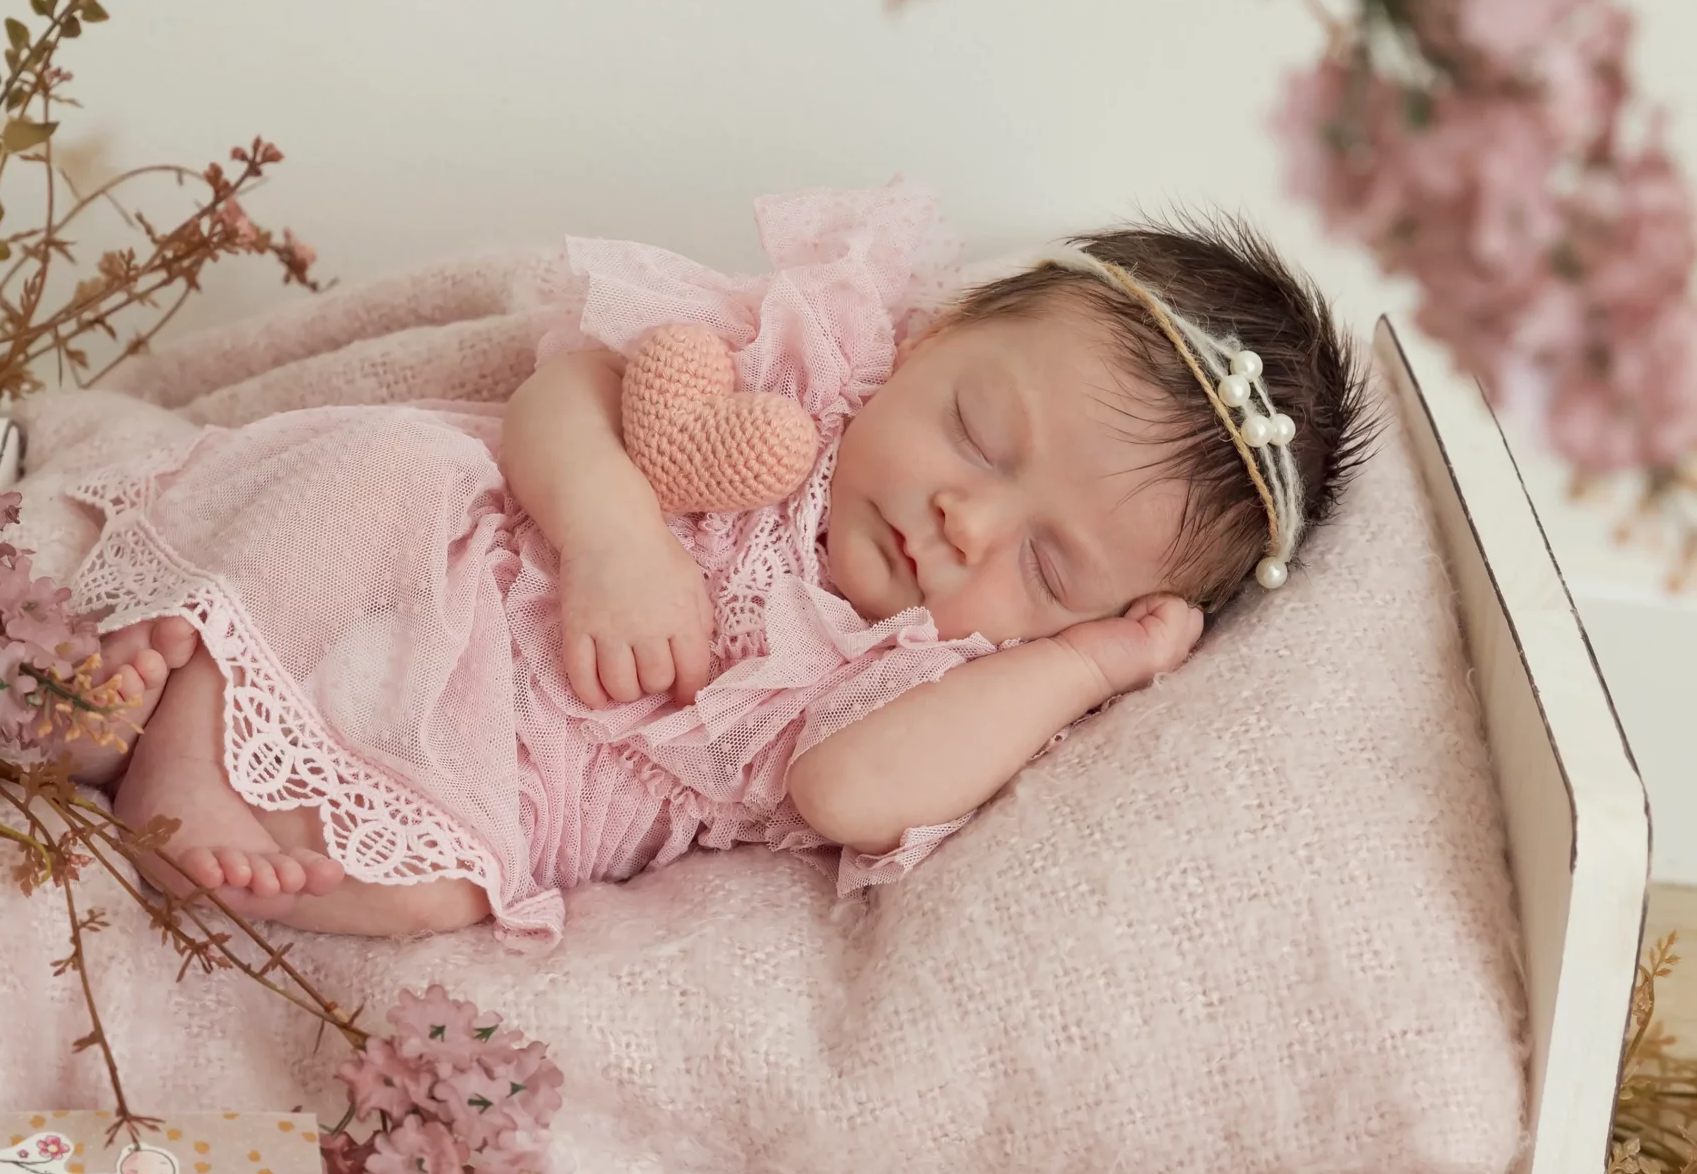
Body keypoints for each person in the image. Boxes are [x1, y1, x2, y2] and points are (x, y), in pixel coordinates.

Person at [67, 185, 1369, 939]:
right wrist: (612, 533)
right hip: (450, 558)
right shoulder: (804, 378)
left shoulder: (930, 674)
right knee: (385, 466)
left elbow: (849, 791)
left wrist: (1089, 664)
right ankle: (175, 665)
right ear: (938, 334)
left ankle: (185, 776)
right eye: (978, 432)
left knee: (448, 889)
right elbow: (562, 393)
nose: (967, 521)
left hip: (514, 772)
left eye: (1047, 567)